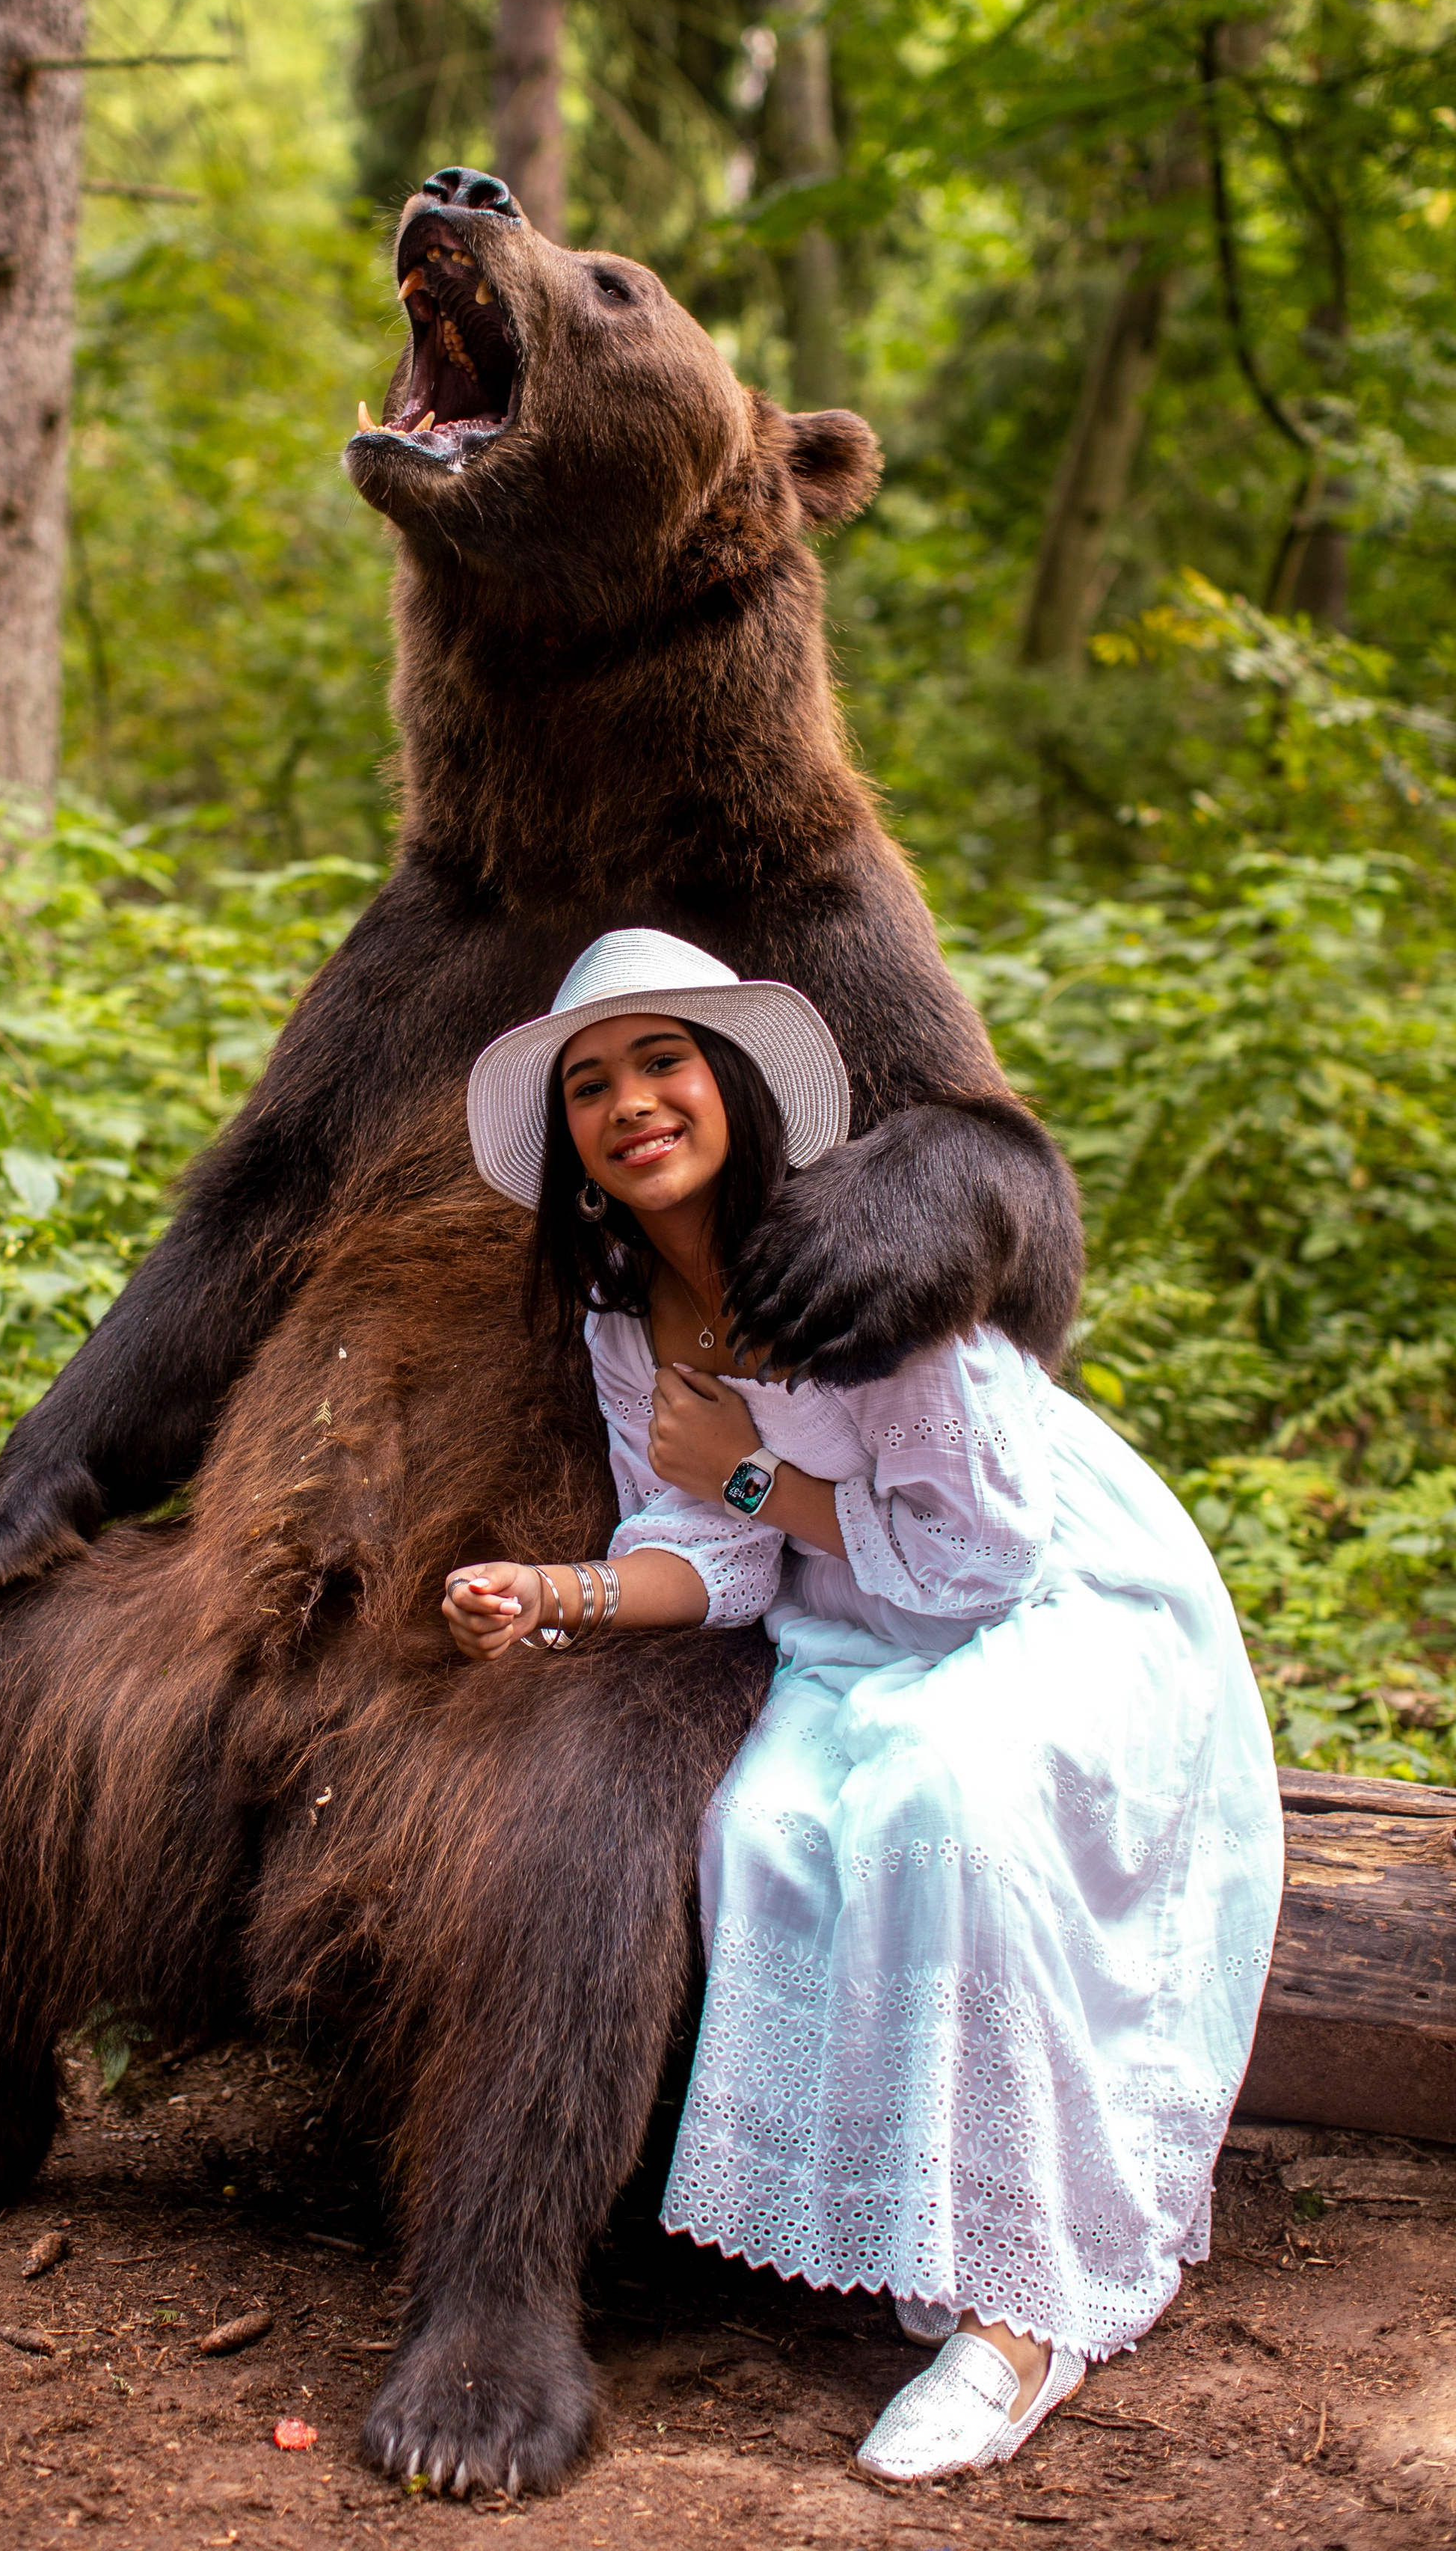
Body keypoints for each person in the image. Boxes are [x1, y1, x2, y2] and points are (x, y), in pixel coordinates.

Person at [446, 927, 1284, 2484]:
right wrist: (547, 1596)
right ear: (570, 1142)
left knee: (943, 1807)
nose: (630, 1103)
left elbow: (974, 1557)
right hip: (856, 1611)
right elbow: (712, 1557)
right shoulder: (623, 1317)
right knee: (763, 1822)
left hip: (1046, 1592)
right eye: (589, 1085)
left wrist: (752, 1475)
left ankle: (1023, 2314)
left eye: (663, 1062)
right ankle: (930, 2205)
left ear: (730, 1086)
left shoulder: (841, 1255)